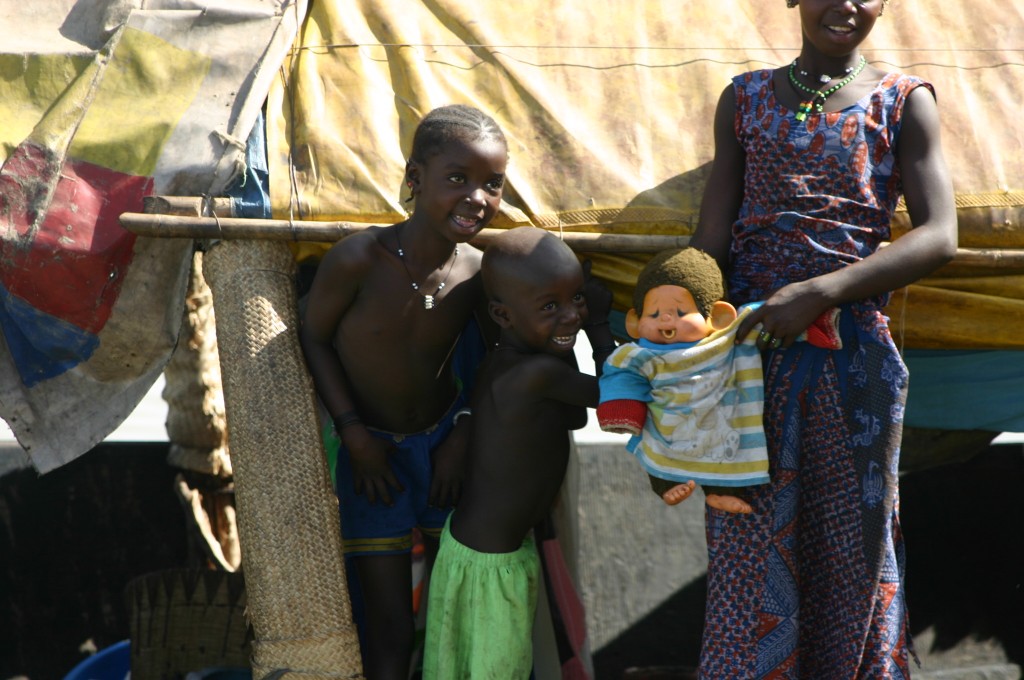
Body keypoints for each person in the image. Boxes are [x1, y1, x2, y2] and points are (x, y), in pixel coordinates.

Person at [688, 0, 957, 676]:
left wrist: (823, 292)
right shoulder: (744, 98)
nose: (845, 4)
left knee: (852, 548)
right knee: (746, 540)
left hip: (853, 363)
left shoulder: (903, 102)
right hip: (750, 361)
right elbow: (710, 245)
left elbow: (939, 234)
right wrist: (675, 337)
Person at [300, 104, 508, 680]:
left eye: (493, 184)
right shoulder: (359, 258)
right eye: (457, 179)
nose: (477, 199)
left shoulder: (476, 271)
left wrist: (463, 433)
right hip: (373, 456)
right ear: (415, 180)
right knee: (388, 624)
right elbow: (314, 340)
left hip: (444, 448)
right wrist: (354, 434)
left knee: (448, 614)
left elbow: (494, 356)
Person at [420, 226, 614, 679]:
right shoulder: (536, 375)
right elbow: (621, 402)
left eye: (578, 299)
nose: (571, 316)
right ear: (502, 316)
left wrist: (563, 336)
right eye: (551, 306)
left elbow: (573, 420)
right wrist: (600, 325)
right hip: (493, 568)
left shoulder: (509, 363)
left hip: (477, 553)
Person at [596, 247, 771, 514]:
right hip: (668, 431)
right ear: (634, 322)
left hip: (721, 426)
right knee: (658, 459)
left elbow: (773, 317)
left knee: (729, 455)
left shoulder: (731, 337)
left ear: (718, 317)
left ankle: (720, 493)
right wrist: (622, 410)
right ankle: (664, 486)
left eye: (679, 313)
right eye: (653, 315)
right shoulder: (639, 354)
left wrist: (818, 323)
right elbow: (621, 376)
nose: (665, 319)